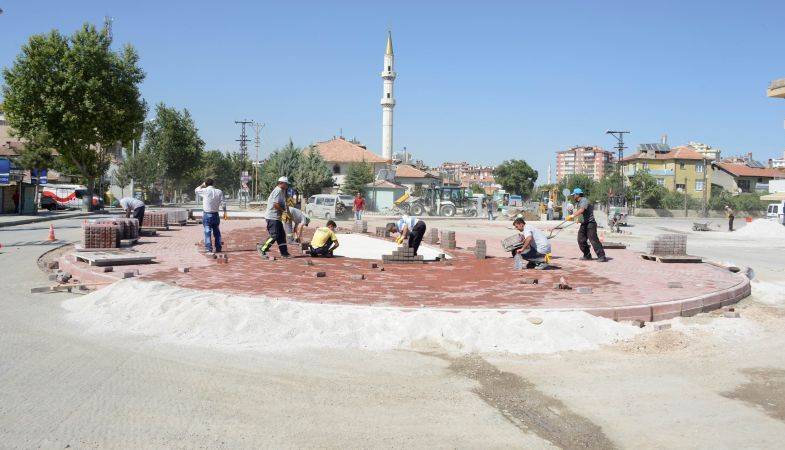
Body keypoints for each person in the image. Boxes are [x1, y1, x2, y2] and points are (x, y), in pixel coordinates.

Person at [566, 187, 607, 262]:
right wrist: (579, 219)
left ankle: (602, 256)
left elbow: (582, 210)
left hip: (590, 224)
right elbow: (583, 213)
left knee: (593, 240)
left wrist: (572, 216)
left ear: (577, 195)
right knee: (580, 240)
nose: (573, 196)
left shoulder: (584, 200)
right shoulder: (579, 202)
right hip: (584, 224)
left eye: (574, 195)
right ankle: (587, 255)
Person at [258, 176, 292, 258]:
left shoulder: (282, 191)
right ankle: (262, 249)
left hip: (277, 217)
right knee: (274, 235)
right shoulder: (278, 191)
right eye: (286, 184)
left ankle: (284, 253)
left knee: (281, 236)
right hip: (272, 217)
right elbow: (275, 204)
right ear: (282, 183)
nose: (287, 185)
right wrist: (283, 211)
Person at [195, 178, 224, 254]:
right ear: (213, 184)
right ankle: (218, 247)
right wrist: (225, 212)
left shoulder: (204, 191)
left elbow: (196, 190)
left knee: (207, 232)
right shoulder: (219, 191)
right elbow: (223, 203)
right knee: (217, 232)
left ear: (206, 184)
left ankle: (208, 248)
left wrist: (202, 185)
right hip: (215, 214)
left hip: (207, 215)